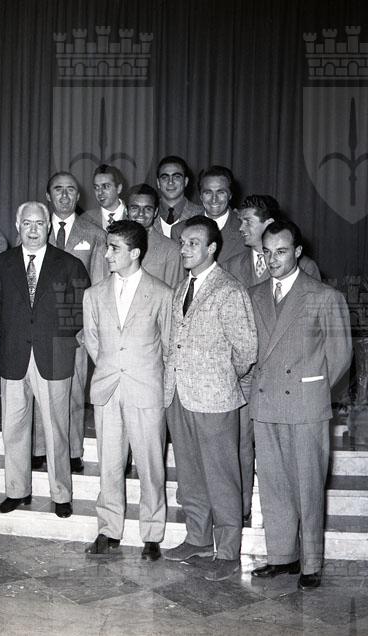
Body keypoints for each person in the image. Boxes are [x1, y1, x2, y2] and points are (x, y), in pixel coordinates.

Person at [249, 220, 352, 591]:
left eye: (281, 252)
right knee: (273, 485)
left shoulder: (324, 296)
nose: (273, 259)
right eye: (267, 252)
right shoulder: (254, 294)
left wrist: (312, 388)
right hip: (265, 404)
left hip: (306, 406)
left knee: (308, 486)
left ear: (297, 252)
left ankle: (311, 562)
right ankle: (282, 556)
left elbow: (340, 357)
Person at [163, 215, 257, 582]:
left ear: (212, 248)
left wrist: (218, 378)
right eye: (182, 243)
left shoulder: (229, 289)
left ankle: (228, 552)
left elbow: (246, 350)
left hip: (215, 398)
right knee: (190, 475)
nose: (184, 249)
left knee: (222, 477)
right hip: (179, 395)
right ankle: (198, 539)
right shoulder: (182, 286)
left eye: (193, 243)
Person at [0, 201, 90, 518]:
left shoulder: (69, 264)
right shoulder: (0, 264)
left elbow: (80, 310)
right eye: (27, 223)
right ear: (18, 226)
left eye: (39, 223)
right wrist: (20, 332)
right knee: (13, 428)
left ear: (49, 226)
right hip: (14, 353)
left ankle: (61, 494)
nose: (33, 230)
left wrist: (52, 335)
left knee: (57, 429)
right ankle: (17, 491)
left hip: (54, 354)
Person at [222, 195, 320, 521]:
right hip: (245, 378)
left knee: (288, 458)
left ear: (268, 223)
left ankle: (289, 524)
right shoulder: (231, 266)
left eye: (247, 221)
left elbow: (313, 332)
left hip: (287, 382)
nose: (240, 227)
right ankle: (241, 511)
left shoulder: (306, 268)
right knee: (241, 444)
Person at [82, 220, 172, 560]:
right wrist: (113, 368)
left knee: (151, 466)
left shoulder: (162, 293)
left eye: (114, 248)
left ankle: (152, 533)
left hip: (146, 391)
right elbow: (93, 342)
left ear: (134, 253)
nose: (106, 254)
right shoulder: (94, 294)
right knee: (109, 464)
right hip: (108, 390)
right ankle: (109, 530)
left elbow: (169, 346)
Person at [31, 172, 105, 474]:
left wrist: (88, 328)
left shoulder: (94, 234)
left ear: (78, 195)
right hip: (39, 326)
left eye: (70, 190)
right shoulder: (35, 229)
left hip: (74, 327)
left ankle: (73, 450)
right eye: (58, 190)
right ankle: (38, 448)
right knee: (38, 390)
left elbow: (99, 284)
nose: (64, 195)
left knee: (73, 392)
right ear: (48, 196)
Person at [172, 165, 246, 262]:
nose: (214, 199)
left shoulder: (246, 228)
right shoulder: (180, 230)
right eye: (208, 193)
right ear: (201, 196)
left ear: (230, 195)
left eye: (221, 192)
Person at [126, 183, 185, 288]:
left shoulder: (171, 250)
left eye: (147, 209)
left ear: (155, 212)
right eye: (135, 208)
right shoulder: (112, 245)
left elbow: (174, 292)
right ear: (126, 210)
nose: (141, 213)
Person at [154, 155, 203, 237]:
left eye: (176, 177)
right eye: (165, 177)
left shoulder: (201, 214)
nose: (170, 182)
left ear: (186, 181)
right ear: (158, 183)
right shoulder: (145, 214)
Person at [83, 164, 126, 230]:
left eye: (106, 186)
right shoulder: (86, 219)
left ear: (119, 188)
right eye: (96, 187)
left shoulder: (134, 216)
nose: (100, 192)